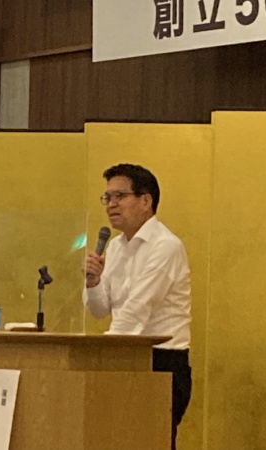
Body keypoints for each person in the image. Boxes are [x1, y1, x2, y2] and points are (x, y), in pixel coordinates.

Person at [83, 163, 192, 450]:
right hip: (126, 354)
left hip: (162, 362)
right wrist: (93, 282)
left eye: (120, 196)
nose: (111, 204)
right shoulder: (116, 246)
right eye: (107, 197)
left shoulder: (165, 246)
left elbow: (138, 308)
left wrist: (101, 354)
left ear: (146, 200)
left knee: (152, 442)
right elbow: (100, 310)